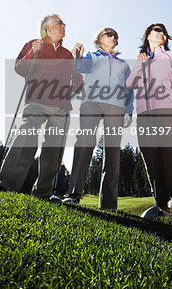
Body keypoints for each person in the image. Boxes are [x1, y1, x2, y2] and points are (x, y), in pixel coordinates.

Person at [0, 14, 82, 200]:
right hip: (36, 100)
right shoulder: (33, 44)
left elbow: (76, 85)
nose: (64, 27)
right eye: (60, 23)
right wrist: (31, 53)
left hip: (61, 106)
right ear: (48, 27)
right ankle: (7, 184)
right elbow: (20, 68)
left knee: (53, 149)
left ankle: (43, 193)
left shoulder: (67, 55)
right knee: (26, 136)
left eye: (64, 24)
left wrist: (77, 71)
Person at [63, 28, 133, 209]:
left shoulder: (123, 64)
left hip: (116, 106)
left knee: (113, 150)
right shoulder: (91, 56)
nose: (113, 37)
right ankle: (74, 193)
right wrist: (76, 56)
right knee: (85, 140)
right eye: (108, 34)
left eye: (115, 36)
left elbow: (129, 90)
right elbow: (78, 67)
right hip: (92, 102)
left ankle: (109, 203)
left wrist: (128, 111)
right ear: (99, 39)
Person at [126, 23, 172, 222]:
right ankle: (161, 207)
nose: (162, 34)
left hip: (169, 111)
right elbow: (130, 84)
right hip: (145, 114)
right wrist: (140, 65)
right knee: (151, 159)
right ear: (148, 36)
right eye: (157, 31)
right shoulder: (141, 60)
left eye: (163, 32)